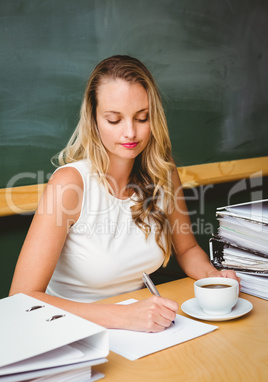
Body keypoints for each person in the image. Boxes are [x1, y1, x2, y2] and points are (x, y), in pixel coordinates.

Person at [9, 55, 239, 332]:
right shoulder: (70, 184)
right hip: (65, 332)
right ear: (94, 119)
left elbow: (187, 249)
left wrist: (215, 278)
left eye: (142, 118)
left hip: (137, 328)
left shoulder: (163, 173)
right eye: (114, 120)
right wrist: (122, 317)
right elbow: (21, 300)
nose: (130, 133)